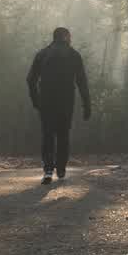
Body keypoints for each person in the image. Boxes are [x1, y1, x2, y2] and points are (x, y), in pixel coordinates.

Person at [26, 27, 92, 184]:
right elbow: (82, 81)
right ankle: (61, 168)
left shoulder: (42, 54)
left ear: (54, 37)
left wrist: (35, 100)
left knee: (47, 134)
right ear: (67, 37)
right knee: (63, 134)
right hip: (66, 101)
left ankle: (48, 170)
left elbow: (30, 79)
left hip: (46, 100)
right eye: (70, 37)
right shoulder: (73, 55)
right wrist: (87, 105)